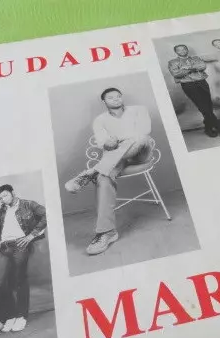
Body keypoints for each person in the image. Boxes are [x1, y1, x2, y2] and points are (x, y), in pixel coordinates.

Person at [64, 88, 155, 255]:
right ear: (104, 101)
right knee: (103, 178)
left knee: (139, 138)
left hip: (141, 154)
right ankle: (107, 232)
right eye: (111, 98)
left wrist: (118, 140)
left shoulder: (139, 110)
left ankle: (92, 171)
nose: (116, 99)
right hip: (116, 161)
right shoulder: (100, 120)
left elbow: (145, 131)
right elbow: (103, 144)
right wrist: (109, 144)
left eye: (119, 96)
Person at [0, 184, 47, 333]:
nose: (3, 200)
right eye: (0, 198)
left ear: (13, 193)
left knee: (20, 280)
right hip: (4, 247)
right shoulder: (3, 209)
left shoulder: (28, 204)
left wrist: (31, 235)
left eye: (5, 195)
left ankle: (21, 316)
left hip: (20, 245)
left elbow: (47, 214)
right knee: (0, 283)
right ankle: (11, 316)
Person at [168, 44, 220, 138]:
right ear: (176, 52)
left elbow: (202, 66)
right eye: (179, 50)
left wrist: (186, 69)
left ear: (187, 50)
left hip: (202, 82)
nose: (182, 51)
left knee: (208, 106)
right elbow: (176, 73)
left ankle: (208, 127)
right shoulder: (173, 62)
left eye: (184, 49)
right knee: (202, 106)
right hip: (188, 85)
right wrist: (193, 69)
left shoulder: (196, 58)